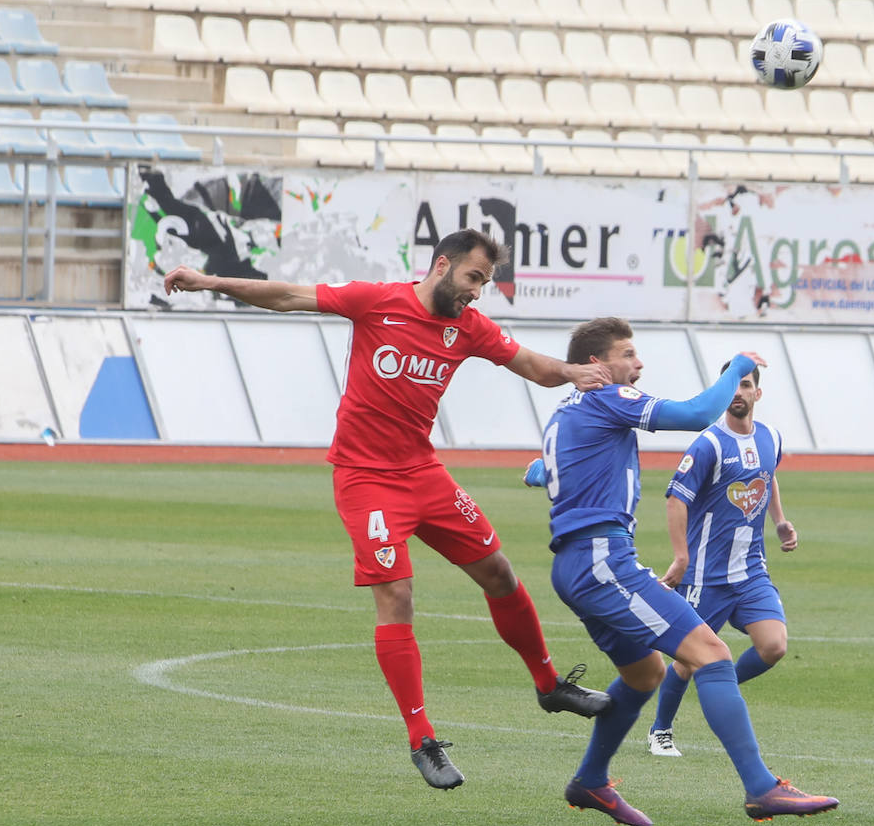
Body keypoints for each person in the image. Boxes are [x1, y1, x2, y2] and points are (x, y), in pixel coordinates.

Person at [163, 228, 613, 792]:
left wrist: (573, 372)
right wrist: (209, 281)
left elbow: (530, 365)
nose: (477, 292)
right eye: (473, 278)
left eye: (485, 283)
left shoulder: (467, 327)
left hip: (423, 472)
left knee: (498, 571)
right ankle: (422, 738)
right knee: (396, 592)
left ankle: (549, 685)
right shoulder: (377, 302)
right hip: (366, 480)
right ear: (442, 265)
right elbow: (286, 295)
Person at [525, 317, 837, 826]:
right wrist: (741, 364)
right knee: (711, 654)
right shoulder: (607, 396)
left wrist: (542, 473)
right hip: (604, 560)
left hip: (581, 563)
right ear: (595, 366)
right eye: (627, 353)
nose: (638, 363)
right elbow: (695, 414)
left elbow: (558, 467)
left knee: (645, 673)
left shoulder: (567, 411)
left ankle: (591, 781)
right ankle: (762, 788)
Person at [646, 362, 797, 758]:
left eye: (745, 385)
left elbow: (768, 475)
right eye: (731, 384)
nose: (738, 392)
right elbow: (676, 498)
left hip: (750, 572)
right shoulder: (709, 444)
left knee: (774, 646)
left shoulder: (771, 438)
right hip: (705, 575)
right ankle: (660, 729)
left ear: (757, 394)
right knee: (685, 661)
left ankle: (715, 683)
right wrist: (681, 556)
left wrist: (779, 520)